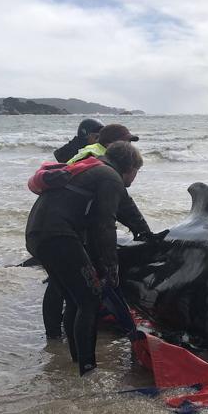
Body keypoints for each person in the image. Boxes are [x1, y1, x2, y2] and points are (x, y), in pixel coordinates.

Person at [26, 141, 145, 375]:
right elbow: (105, 224)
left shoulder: (94, 169)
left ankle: (75, 362)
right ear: (129, 167)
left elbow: (127, 210)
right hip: (59, 236)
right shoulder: (109, 176)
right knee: (90, 300)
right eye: (136, 172)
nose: (135, 178)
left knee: (75, 299)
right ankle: (88, 371)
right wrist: (112, 265)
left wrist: (147, 234)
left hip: (37, 236)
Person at [67, 123, 139, 165]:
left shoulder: (97, 151)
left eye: (130, 142)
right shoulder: (94, 158)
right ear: (109, 144)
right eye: (125, 143)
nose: (129, 146)